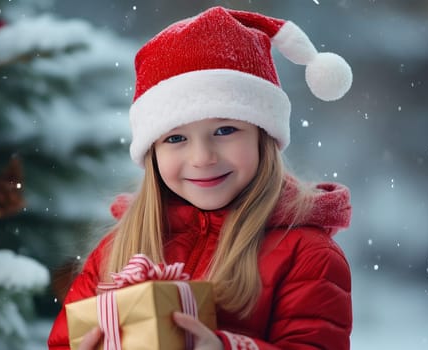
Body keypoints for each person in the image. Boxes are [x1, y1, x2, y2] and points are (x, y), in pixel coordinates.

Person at [48, 6, 353, 350]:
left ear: (263, 138)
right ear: (153, 155)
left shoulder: (306, 255)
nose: (202, 157)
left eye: (225, 130)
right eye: (176, 138)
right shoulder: (118, 251)